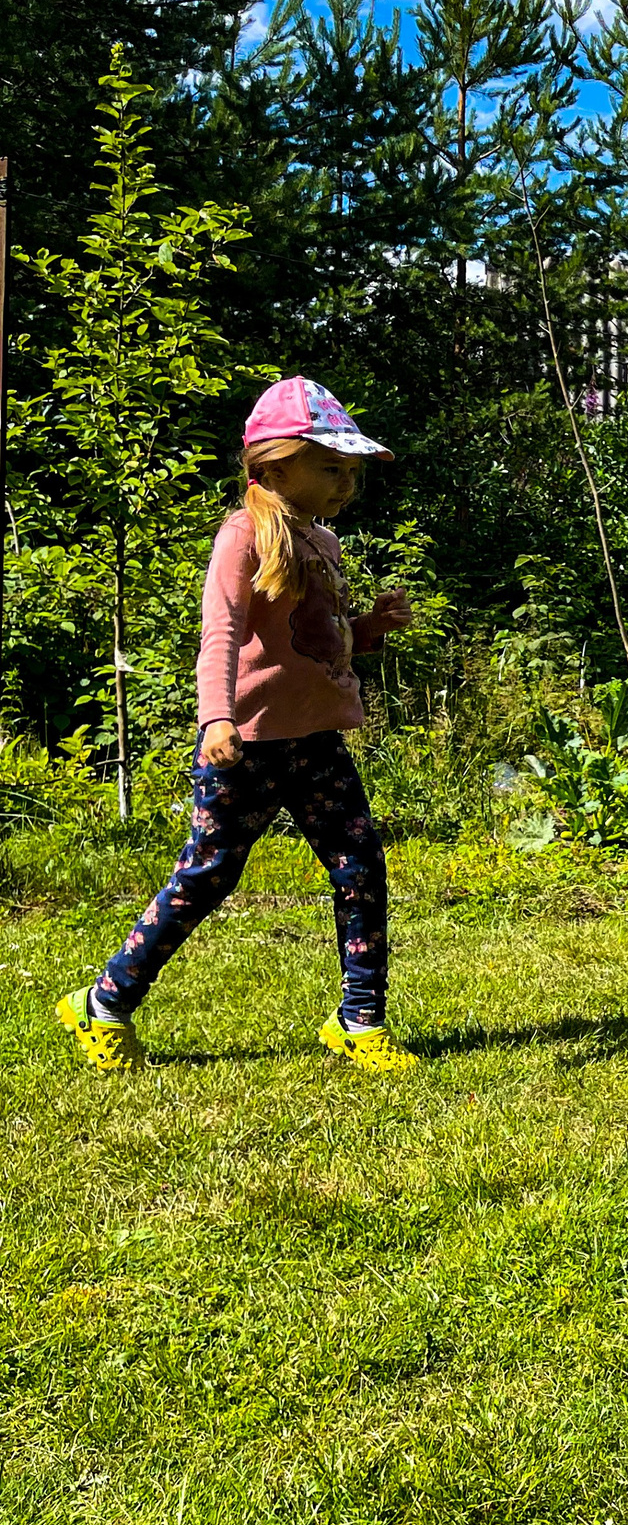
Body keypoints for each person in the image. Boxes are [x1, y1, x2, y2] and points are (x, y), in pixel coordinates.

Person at [56, 377, 421, 1073]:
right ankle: (103, 1003)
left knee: (360, 866)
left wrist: (369, 628)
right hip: (244, 748)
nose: (346, 483)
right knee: (207, 877)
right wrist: (215, 717)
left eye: (352, 472)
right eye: (330, 467)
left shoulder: (325, 543)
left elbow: (315, 638)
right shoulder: (242, 537)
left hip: (315, 743)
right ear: (274, 466)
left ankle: (360, 1021)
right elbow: (220, 636)